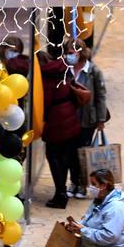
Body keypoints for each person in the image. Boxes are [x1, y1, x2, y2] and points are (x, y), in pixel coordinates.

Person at [63, 167, 124, 247]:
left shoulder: (116, 208)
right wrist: (76, 225)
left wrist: (83, 230)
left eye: (94, 184)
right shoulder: (99, 200)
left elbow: (109, 236)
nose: (91, 188)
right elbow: (88, 219)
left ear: (103, 185)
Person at [39, 45, 83, 208]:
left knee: (53, 155)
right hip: (70, 118)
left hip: (57, 121)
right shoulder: (63, 70)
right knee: (64, 156)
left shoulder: (46, 77)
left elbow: (45, 102)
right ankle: (62, 190)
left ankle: (60, 193)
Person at [67, 38, 109, 199]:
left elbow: (101, 96)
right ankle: (73, 182)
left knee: (83, 152)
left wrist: (100, 119)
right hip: (69, 119)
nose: (69, 56)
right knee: (70, 152)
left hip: (87, 120)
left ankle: (82, 184)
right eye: (68, 53)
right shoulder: (66, 70)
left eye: (71, 53)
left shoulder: (94, 72)